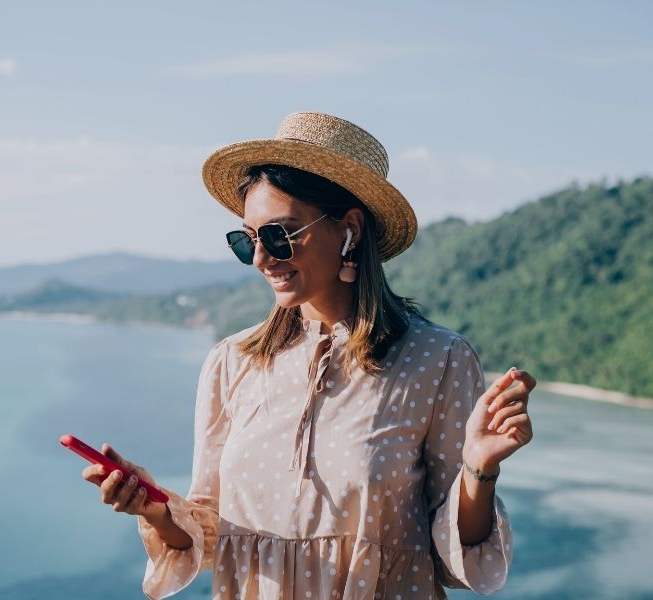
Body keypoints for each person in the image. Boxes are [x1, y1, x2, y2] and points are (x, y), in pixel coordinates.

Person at [81, 112, 536, 599]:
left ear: (350, 230)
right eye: (248, 240)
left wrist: (479, 468)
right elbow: (211, 539)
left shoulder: (438, 359)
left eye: (280, 235)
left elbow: (456, 560)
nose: (261, 259)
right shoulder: (231, 362)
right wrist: (156, 510)